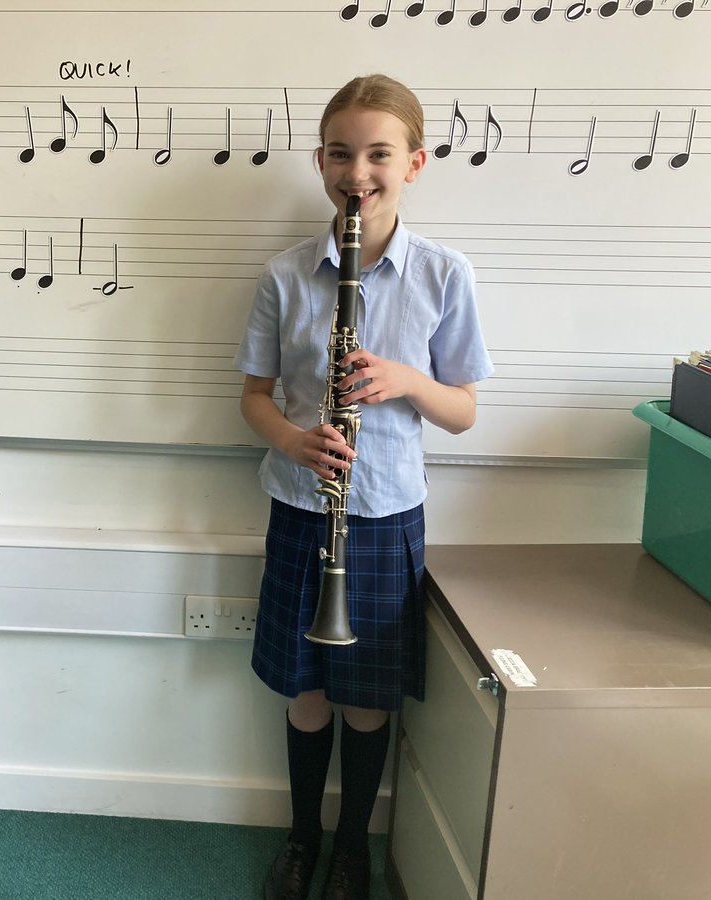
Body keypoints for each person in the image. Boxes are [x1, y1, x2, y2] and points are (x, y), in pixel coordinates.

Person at [234, 74, 494, 900]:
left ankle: (352, 847)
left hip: (383, 517)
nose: (359, 172)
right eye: (342, 154)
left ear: (413, 163)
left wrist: (406, 380)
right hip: (301, 508)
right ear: (320, 163)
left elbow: (463, 412)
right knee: (306, 690)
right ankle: (304, 837)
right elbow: (253, 398)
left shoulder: (445, 275)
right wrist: (296, 441)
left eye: (380, 154)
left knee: (369, 700)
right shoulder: (285, 276)